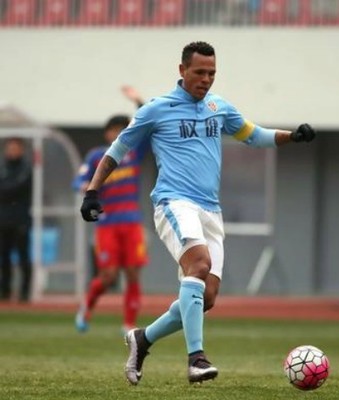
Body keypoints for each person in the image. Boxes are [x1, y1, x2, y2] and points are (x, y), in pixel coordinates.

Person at [79, 41, 316, 384]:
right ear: (182, 71)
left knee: (206, 298)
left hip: (210, 209)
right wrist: (92, 191)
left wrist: (292, 136)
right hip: (173, 202)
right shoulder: (156, 110)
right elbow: (118, 150)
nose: (206, 79)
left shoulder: (219, 107)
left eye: (212, 73)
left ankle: (142, 339)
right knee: (199, 264)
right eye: (200, 72)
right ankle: (196, 359)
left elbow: (253, 135)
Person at [74, 108, 150, 334]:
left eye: (125, 130)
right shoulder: (97, 156)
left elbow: (147, 127)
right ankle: (86, 306)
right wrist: (86, 188)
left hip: (132, 223)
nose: (121, 134)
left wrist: (138, 101)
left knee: (133, 272)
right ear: (108, 133)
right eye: (117, 130)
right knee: (108, 275)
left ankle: (128, 324)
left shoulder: (134, 153)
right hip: (107, 224)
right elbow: (78, 181)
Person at [0, 137, 32, 302]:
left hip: (21, 220)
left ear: (21, 150)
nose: (12, 151)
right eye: (10, 148)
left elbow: (16, 187)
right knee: (4, 258)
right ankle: (4, 292)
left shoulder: (26, 168)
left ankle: (24, 293)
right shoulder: (2, 167)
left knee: (23, 257)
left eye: (15, 148)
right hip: (3, 220)